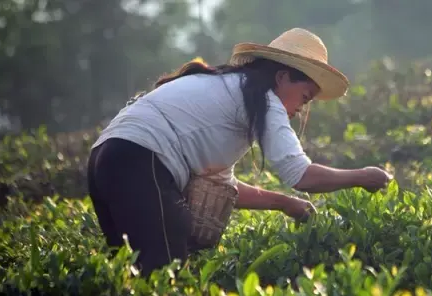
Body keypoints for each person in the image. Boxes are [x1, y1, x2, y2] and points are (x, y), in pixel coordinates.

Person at [86, 27, 393, 276]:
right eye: (305, 96)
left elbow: (224, 186)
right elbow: (301, 175)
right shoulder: (265, 99)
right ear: (283, 77)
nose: (301, 108)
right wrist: (363, 176)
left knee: (133, 277)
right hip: (141, 161)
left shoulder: (228, 88)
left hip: (106, 158)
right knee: (165, 276)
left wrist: (284, 204)